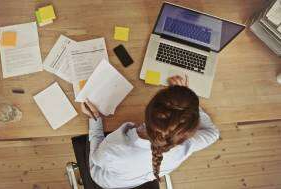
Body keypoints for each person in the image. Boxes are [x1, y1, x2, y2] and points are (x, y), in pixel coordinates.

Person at [81, 75, 219, 189]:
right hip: (138, 176)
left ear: (148, 110)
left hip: (103, 179)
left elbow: (96, 160)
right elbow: (213, 133)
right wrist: (188, 106)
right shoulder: (186, 146)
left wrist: (94, 118)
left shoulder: (115, 148)